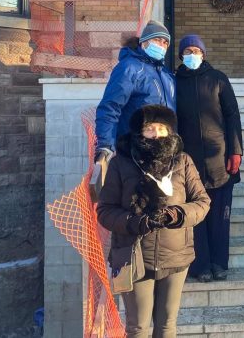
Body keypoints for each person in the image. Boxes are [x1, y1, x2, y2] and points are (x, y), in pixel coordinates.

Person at [97, 104, 210, 338]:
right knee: (137, 327)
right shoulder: (121, 163)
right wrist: (134, 222)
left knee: (167, 325)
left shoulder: (183, 161)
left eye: (161, 128)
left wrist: (177, 214)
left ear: (170, 132)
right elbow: (105, 210)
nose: (156, 134)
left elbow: (202, 202)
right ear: (140, 132)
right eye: (150, 129)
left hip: (175, 255)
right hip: (133, 255)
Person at [174, 34, 243, 282]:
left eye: (197, 50)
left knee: (219, 216)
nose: (193, 54)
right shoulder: (174, 82)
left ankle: (218, 263)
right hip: (188, 162)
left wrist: (236, 150)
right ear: (181, 55)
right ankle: (200, 265)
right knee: (195, 216)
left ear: (204, 54)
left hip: (220, 160)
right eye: (188, 51)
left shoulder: (218, 79)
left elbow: (232, 115)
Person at [94, 20, 176, 163]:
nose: (161, 45)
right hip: (135, 150)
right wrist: (106, 144)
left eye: (165, 42)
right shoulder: (129, 69)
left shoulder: (166, 75)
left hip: (162, 149)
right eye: (157, 40)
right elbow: (110, 106)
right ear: (143, 42)